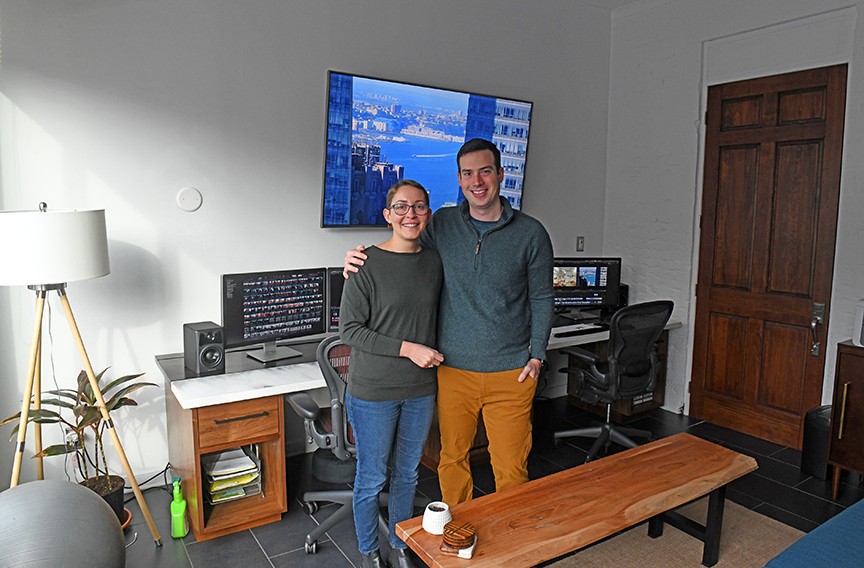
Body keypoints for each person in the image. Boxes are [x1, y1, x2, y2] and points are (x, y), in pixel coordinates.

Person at [344, 138, 554, 507]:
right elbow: (403, 241)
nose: (477, 181)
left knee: (511, 469)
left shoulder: (531, 233)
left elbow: (542, 297)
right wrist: (360, 258)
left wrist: (537, 354)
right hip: (452, 369)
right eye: (468, 174)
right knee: (452, 461)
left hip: (512, 372)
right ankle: (458, 531)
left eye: (485, 171)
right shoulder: (442, 223)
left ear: (500, 174)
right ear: (459, 179)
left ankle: (512, 536)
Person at [339, 180, 444, 568]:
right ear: (387, 215)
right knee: (371, 479)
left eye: (418, 207)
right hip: (374, 391)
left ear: (428, 214)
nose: (410, 215)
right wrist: (408, 348)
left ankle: (401, 543)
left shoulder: (434, 262)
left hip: (420, 389)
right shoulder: (364, 263)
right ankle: (369, 551)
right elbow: (349, 331)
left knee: (408, 474)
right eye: (401, 207)